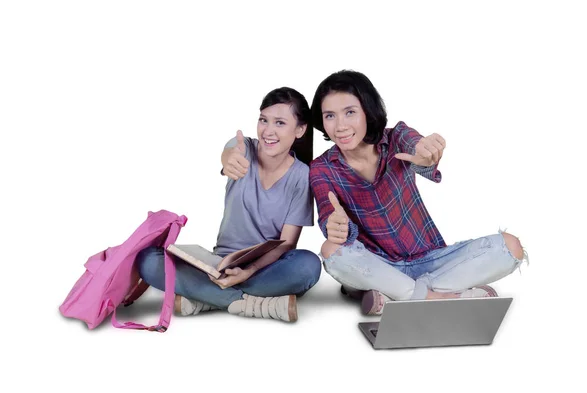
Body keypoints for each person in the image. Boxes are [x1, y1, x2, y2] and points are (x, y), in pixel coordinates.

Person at [308, 70, 528, 316]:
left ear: (367, 111)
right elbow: (331, 219)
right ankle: (446, 295)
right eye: (330, 116)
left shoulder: (397, 137)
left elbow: (419, 148)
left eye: (350, 112)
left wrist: (424, 157)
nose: (340, 126)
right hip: (379, 264)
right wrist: (336, 226)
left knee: (510, 246)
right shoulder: (321, 168)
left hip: (429, 259)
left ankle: (398, 294)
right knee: (330, 250)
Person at [136, 87, 321, 323]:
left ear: (300, 130)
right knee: (148, 259)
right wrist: (228, 159)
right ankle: (249, 304)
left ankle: (205, 297)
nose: (268, 131)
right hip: (218, 264)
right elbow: (230, 152)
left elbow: (287, 244)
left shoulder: (302, 176)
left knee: (308, 265)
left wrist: (248, 271)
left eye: (280, 123)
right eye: (263, 120)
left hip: (264, 269)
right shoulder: (244, 149)